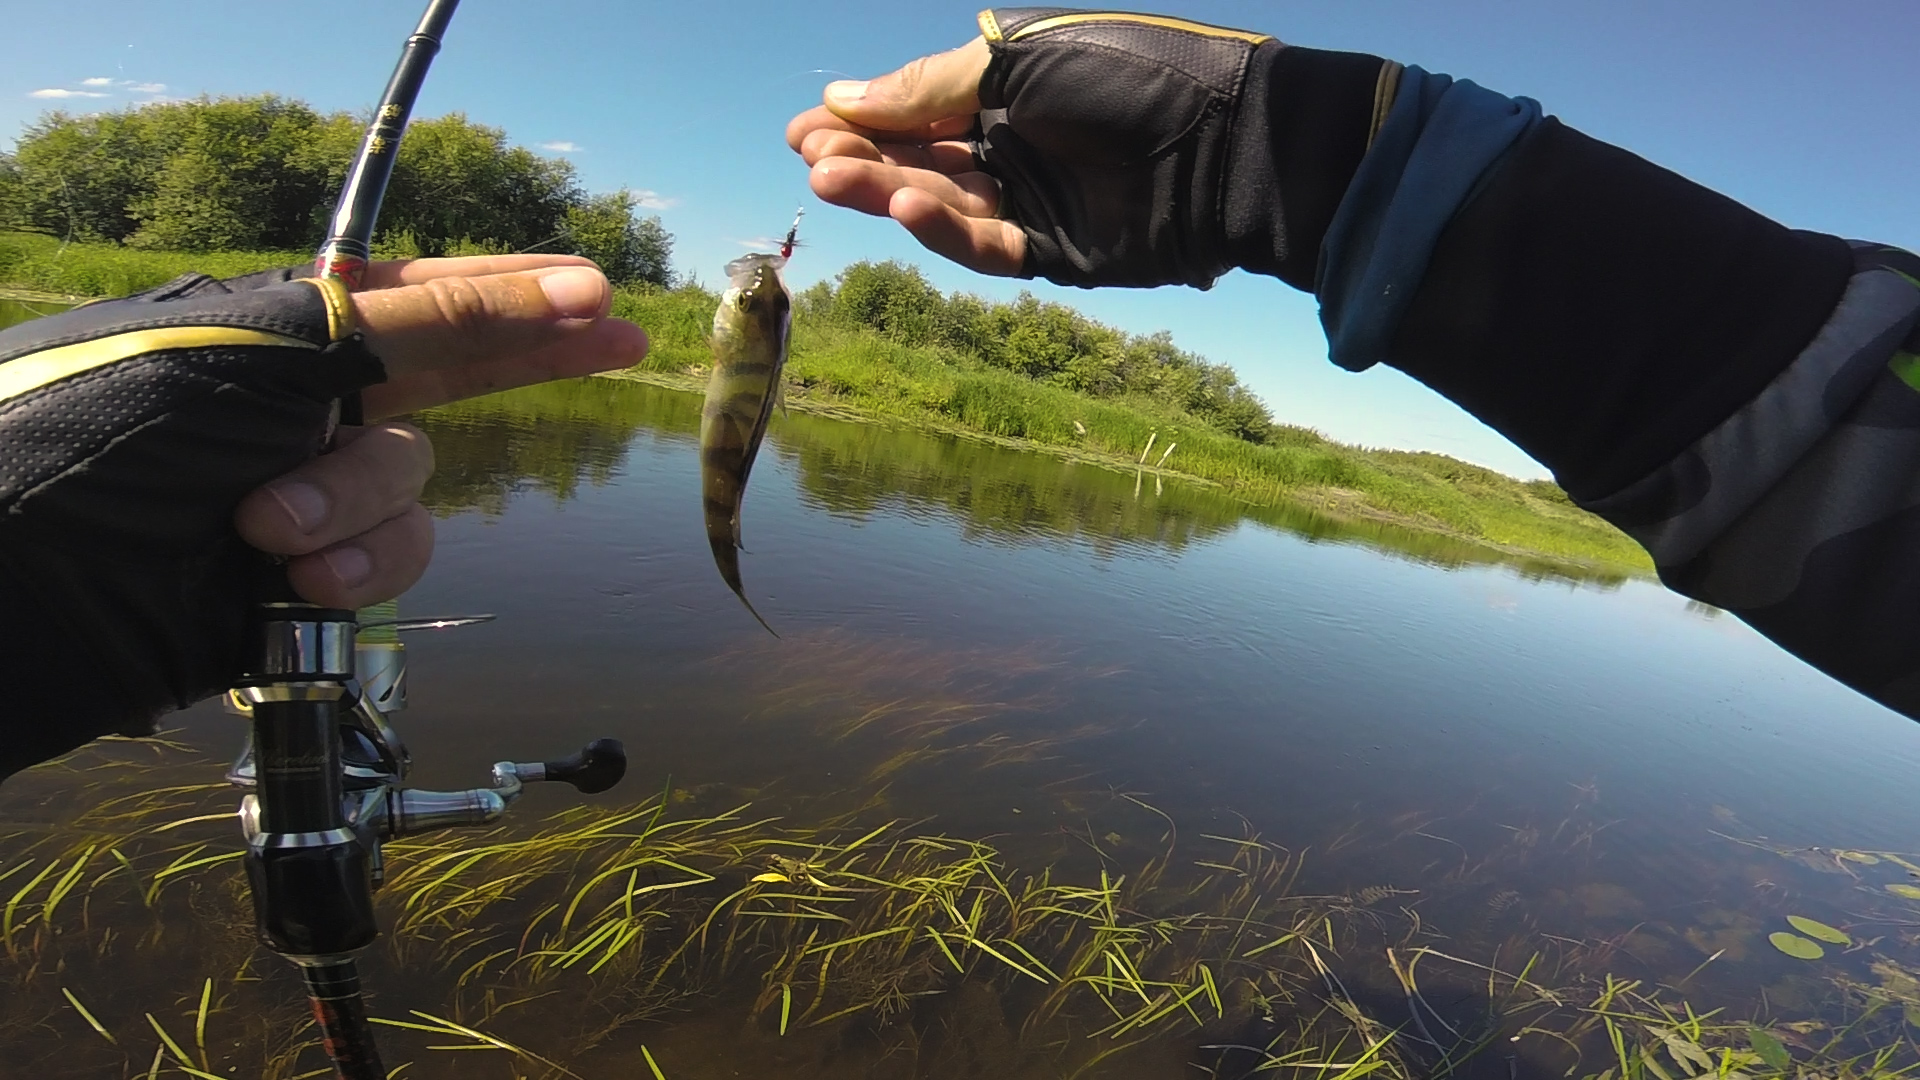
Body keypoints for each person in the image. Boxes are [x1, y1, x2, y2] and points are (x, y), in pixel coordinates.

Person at [0, 7, 1914, 782]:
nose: (753, 321)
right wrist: (1323, 173)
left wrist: (1334, 174)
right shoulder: (759, 326)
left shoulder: (753, 322)